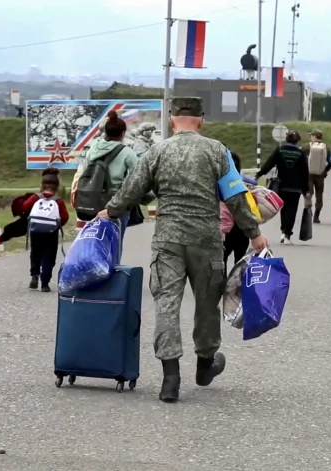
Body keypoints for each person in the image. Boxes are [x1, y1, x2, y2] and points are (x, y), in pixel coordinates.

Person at [97, 97, 268, 403]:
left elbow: (132, 190)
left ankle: (170, 379)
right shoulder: (217, 150)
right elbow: (235, 195)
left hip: (168, 241)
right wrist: (254, 233)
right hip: (207, 240)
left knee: (167, 304)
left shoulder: (158, 151)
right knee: (207, 305)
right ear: (200, 120)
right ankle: (205, 365)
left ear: (172, 121)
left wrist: (109, 212)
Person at [71, 110, 139, 247]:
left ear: (105, 132)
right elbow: (137, 180)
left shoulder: (93, 149)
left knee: (96, 240)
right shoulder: (128, 153)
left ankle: (96, 267)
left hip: (94, 201)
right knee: (115, 243)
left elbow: (85, 172)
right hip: (117, 203)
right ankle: (111, 267)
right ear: (123, 134)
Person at [255, 131, 310, 245]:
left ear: (286, 139)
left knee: (283, 209)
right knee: (292, 210)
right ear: (297, 140)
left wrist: (258, 175)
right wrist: (306, 191)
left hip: (281, 186)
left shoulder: (280, 151)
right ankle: (287, 234)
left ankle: (283, 231)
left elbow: (269, 163)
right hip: (295, 188)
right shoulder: (300, 153)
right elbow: (305, 174)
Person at [22, 167, 70, 292]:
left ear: (42, 184)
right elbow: (64, 217)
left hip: (35, 231)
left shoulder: (36, 197)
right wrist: (56, 225)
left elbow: (24, 207)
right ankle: (45, 283)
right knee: (48, 257)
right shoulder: (58, 201)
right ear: (57, 186)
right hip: (51, 233)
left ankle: (34, 275)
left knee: (36, 253)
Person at [221, 151, 254, 272]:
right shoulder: (243, 181)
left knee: (221, 259)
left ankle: (223, 286)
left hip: (225, 228)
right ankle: (236, 287)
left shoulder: (218, 182)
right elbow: (254, 183)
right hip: (242, 227)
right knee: (240, 262)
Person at [301, 129, 331, 224]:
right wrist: (325, 170)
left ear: (314, 137)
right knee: (319, 195)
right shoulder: (326, 148)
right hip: (320, 176)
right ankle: (316, 216)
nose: (311, 137)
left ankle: (308, 212)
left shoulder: (307, 147)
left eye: (312, 136)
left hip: (309, 174)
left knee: (308, 194)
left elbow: (300, 158)